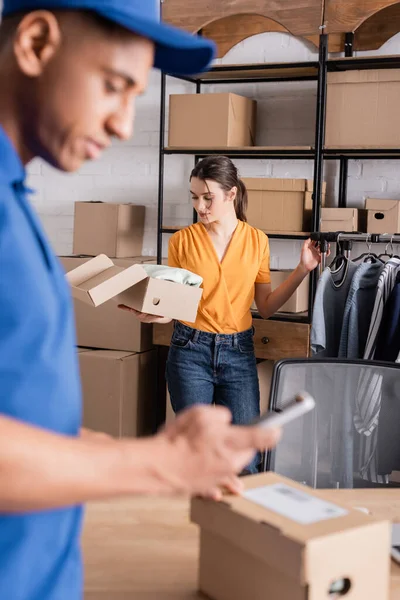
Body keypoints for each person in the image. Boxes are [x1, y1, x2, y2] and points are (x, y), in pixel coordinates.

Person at [0, 3, 281, 600]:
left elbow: (27, 423)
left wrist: (156, 450)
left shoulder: (15, 204)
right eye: (113, 85)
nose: (126, 125)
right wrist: (157, 467)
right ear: (36, 43)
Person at [127, 155, 322, 472]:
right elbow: (178, 304)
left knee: (247, 457)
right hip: (190, 351)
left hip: (238, 352)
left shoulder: (256, 240)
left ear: (231, 194)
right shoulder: (182, 241)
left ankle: (243, 520)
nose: (200, 206)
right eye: (194, 197)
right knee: (198, 453)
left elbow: (267, 307)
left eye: (208, 197)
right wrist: (155, 315)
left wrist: (303, 269)